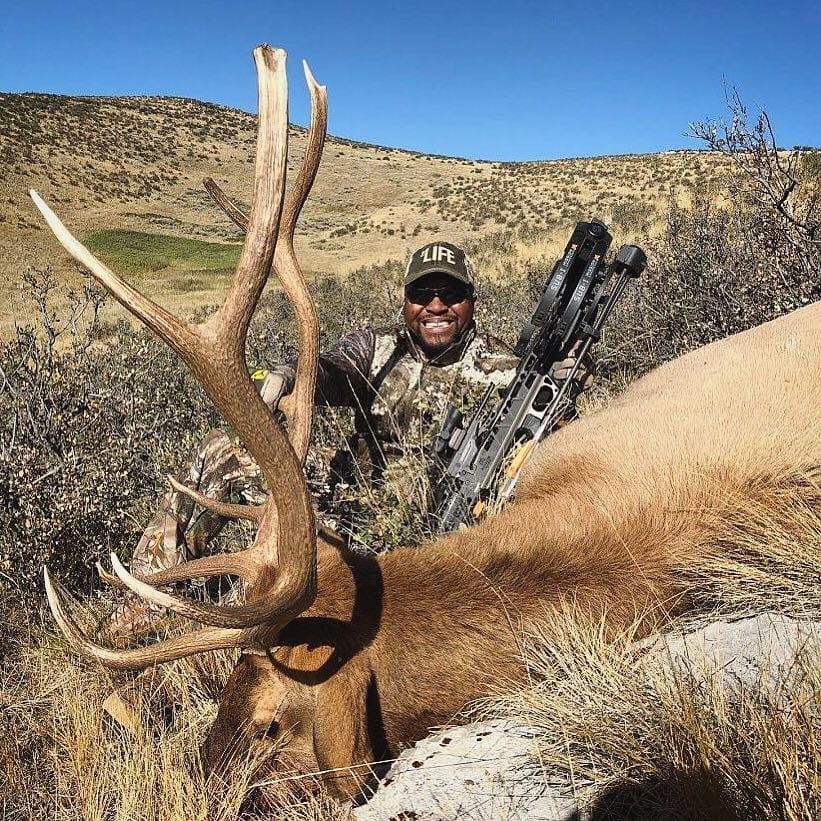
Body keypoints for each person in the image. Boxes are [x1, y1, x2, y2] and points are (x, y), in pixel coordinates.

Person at [107, 241, 590, 637]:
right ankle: (147, 602)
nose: (436, 306)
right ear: (405, 302)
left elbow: (554, 453)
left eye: (451, 293)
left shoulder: (510, 375)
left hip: (433, 533)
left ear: (472, 301)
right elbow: (330, 367)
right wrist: (288, 377)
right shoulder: (376, 347)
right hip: (346, 494)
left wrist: (567, 403)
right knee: (222, 453)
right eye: (423, 294)